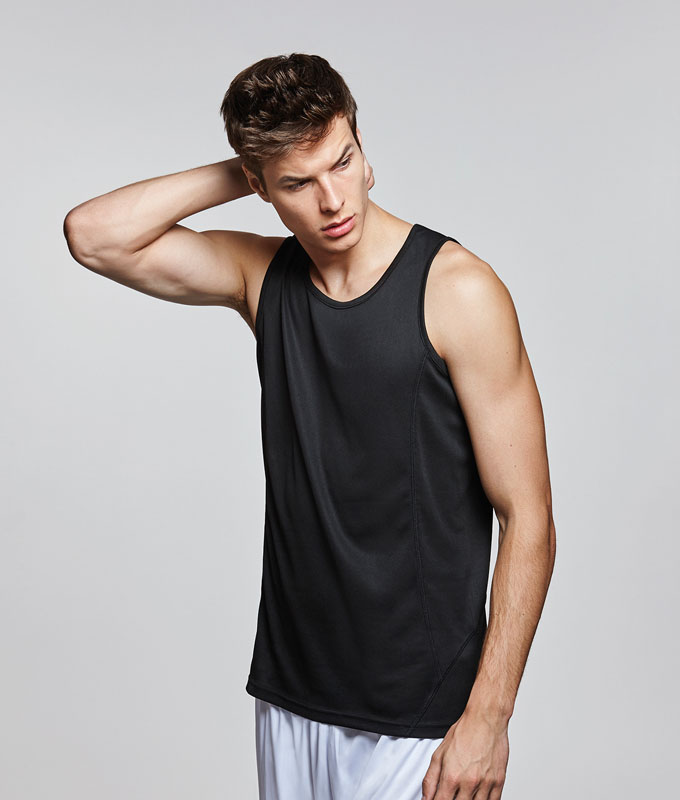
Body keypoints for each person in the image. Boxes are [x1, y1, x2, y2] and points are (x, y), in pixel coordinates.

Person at [63, 52, 556, 800]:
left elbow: (530, 516)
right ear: (260, 186)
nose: (332, 199)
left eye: (342, 160)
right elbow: (93, 234)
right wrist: (249, 168)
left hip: (422, 715)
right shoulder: (262, 277)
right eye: (298, 182)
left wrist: (489, 717)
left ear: (362, 144)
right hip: (293, 693)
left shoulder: (459, 290)